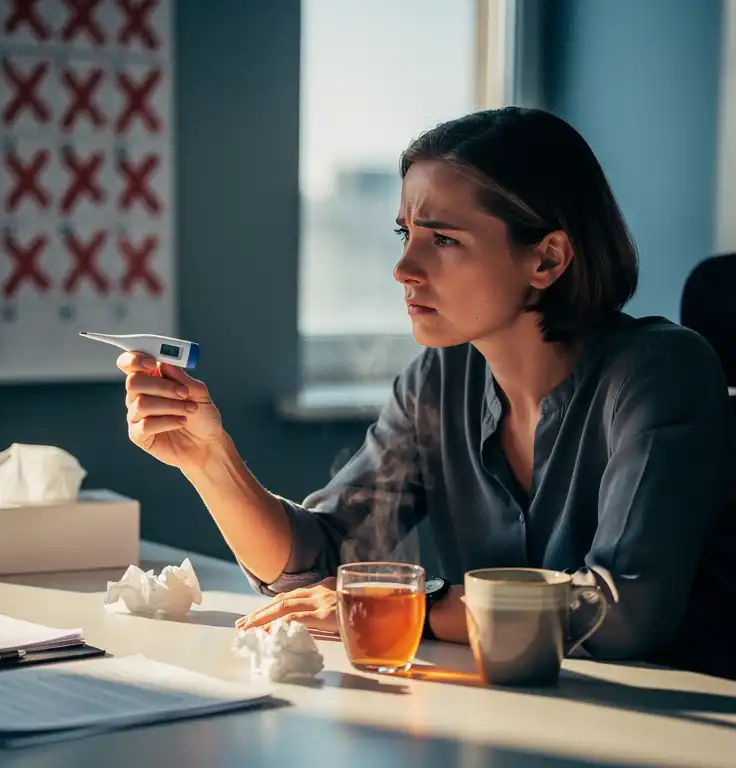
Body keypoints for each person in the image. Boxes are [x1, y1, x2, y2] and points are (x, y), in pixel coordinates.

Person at [116, 107, 736, 679]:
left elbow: (624, 612)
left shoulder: (660, 371)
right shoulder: (437, 383)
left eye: (442, 240)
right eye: (403, 233)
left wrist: (406, 606)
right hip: (520, 711)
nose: (404, 267)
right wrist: (208, 459)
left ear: (546, 259)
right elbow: (320, 561)